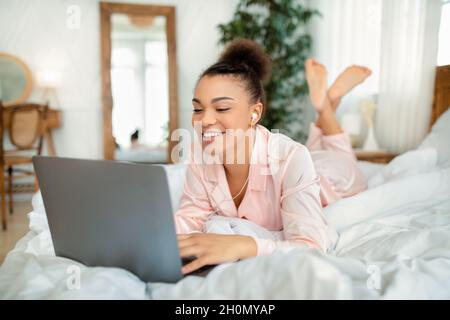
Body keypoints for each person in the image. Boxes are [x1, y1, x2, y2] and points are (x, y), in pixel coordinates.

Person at [175, 39, 371, 274]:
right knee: (312, 147)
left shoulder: (291, 158)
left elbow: (311, 247)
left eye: (222, 108)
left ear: (254, 113)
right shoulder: (201, 157)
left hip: (334, 176)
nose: (204, 121)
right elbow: (189, 218)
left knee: (338, 155)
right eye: (198, 109)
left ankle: (326, 105)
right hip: (303, 162)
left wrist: (245, 245)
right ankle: (327, 103)